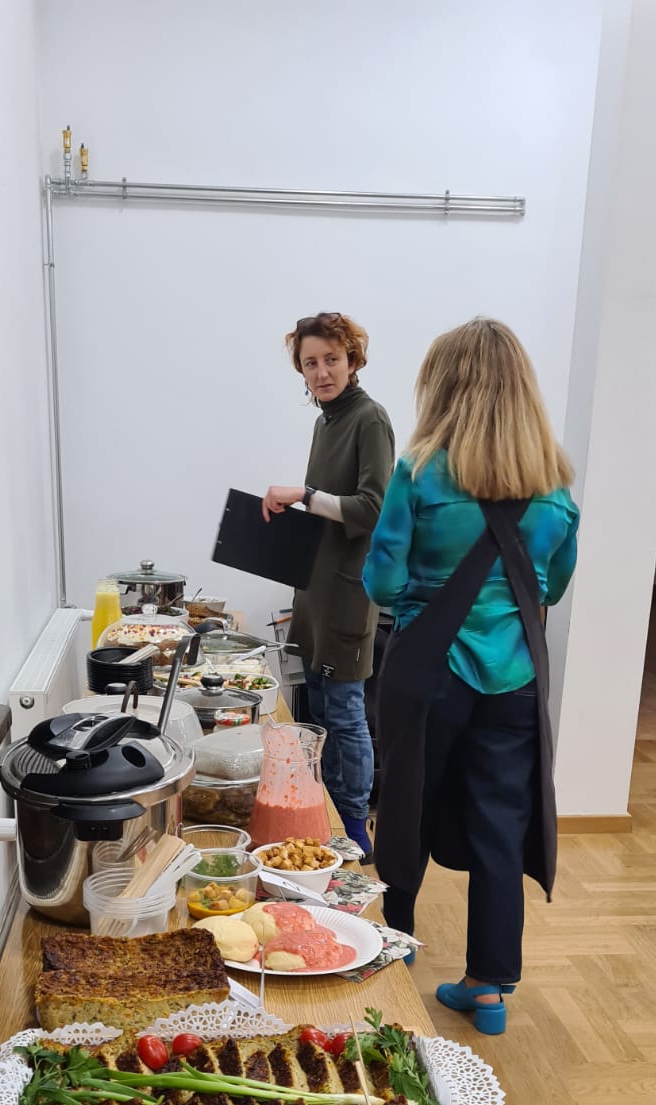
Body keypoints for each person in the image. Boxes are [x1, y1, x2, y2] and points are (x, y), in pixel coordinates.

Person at [364, 318, 578, 1035]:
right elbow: (552, 586)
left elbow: (381, 581)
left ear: (445, 384)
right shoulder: (556, 486)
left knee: (408, 810)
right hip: (514, 677)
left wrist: (422, 598)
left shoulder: (419, 472)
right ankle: (488, 988)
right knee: (500, 826)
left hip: (431, 671)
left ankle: (392, 953)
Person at [263, 312, 394, 861]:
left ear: (352, 359)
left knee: (345, 714)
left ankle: (356, 830)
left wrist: (304, 495)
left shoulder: (370, 419)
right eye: (310, 363)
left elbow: (374, 509)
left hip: (347, 593)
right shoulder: (325, 422)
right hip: (314, 590)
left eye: (331, 360)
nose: (321, 372)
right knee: (317, 712)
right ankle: (326, 820)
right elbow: (327, 510)